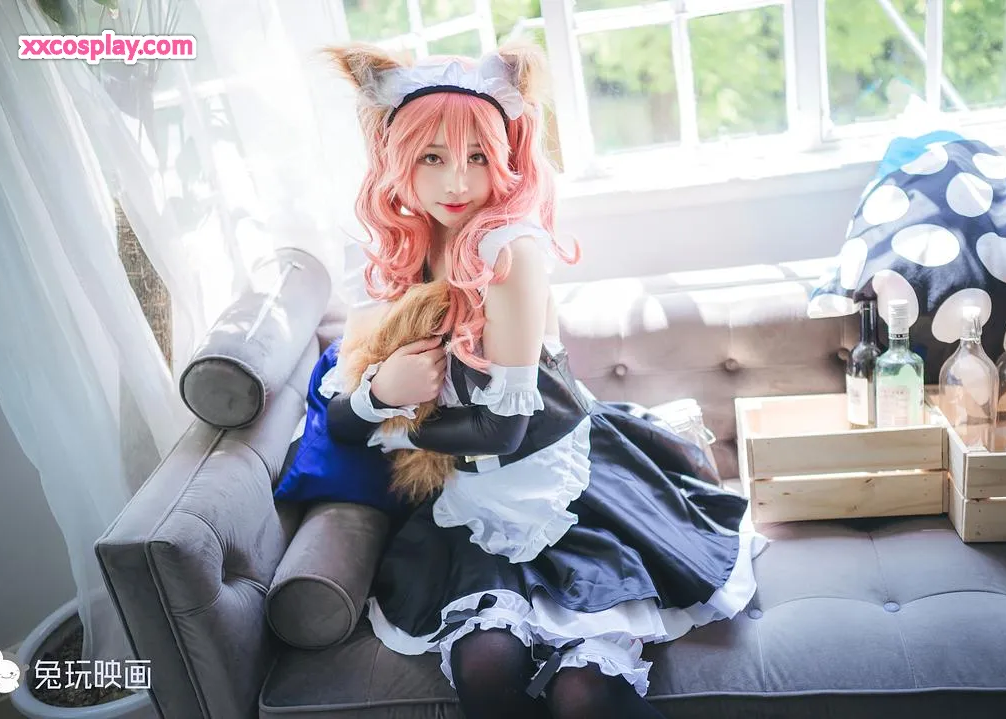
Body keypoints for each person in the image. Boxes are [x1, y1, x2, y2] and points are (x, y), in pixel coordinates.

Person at [319, 39, 766, 719]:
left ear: (505, 155)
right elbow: (341, 425)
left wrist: (398, 421)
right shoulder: (407, 251)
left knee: (582, 692)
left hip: (560, 486)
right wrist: (381, 393)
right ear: (397, 157)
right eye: (433, 158)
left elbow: (505, 427)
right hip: (469, 504)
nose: (457, 182)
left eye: (478, 156)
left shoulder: (508, 248)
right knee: (486, 665)